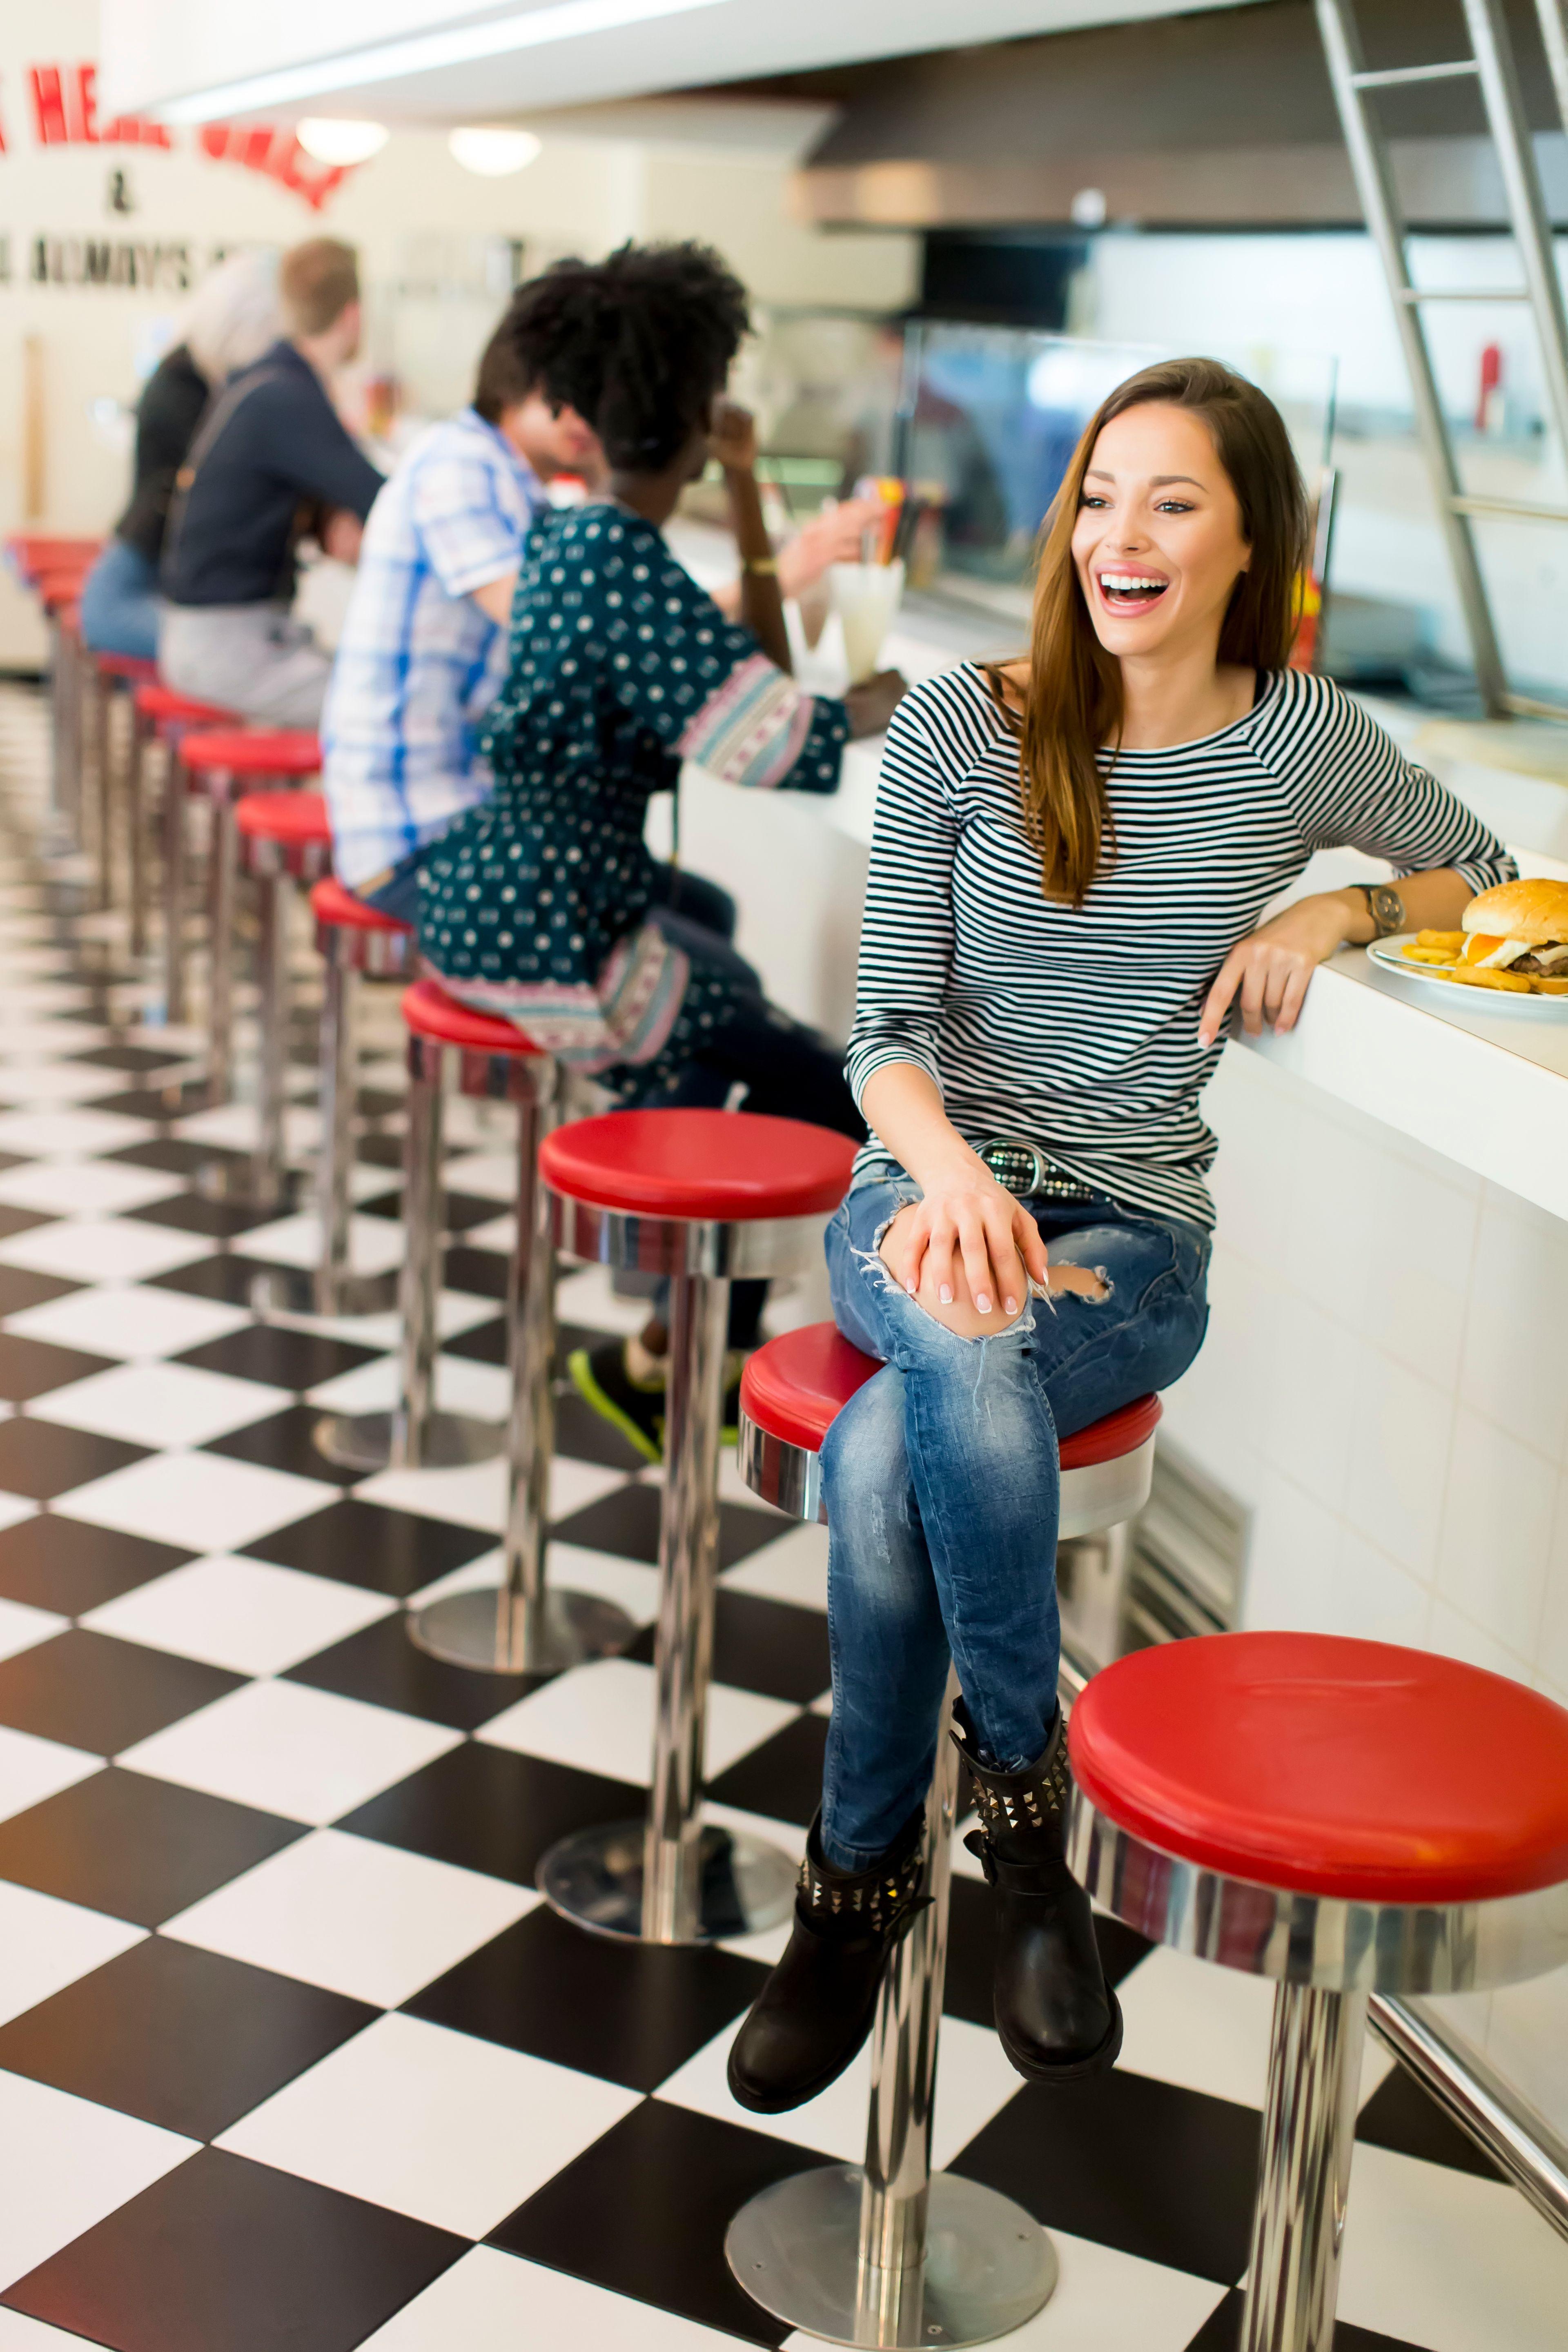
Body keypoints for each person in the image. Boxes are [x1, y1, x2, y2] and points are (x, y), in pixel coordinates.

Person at [726, 356, 1517, 2113]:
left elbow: (1487, 866)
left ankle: (849, 1900)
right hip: (918, 1197)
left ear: (1249, 546)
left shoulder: (1297, 737)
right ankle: (1025, 1834)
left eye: (1170, 502)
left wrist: (1341, 902)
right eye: (1098, 495)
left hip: (1135, 1241)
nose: (1119, 535)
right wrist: (952, 1186)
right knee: (960, 1332)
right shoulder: (958, 723)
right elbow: (881, 1040)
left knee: (886, 1459)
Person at [415, 241, 905, 1453]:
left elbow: (750, 674)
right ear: (701, 410)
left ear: (576, 419)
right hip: (550, 923)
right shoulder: (626, 566)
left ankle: (664, 1340)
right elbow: (775, 737)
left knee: (725, 983)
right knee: (811, 1075)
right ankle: (669, 1352)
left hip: (497, 888)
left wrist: (738, 486)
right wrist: (876, 707)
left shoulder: (575, 538)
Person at [323, 256, 886, 926]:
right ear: (538, 387)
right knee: (701, 929)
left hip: (457, 813)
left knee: (703, 912)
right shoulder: (462, 471)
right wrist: (785, 581)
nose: (587, 418)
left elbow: (615, 626)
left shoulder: (517, 486)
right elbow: (557, 621)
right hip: (420, 832)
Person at [159, 237, 384, 728]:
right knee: (394, 710)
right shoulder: (290, 395)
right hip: (227, 648)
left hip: (216, 635)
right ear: (354, 316)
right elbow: (384, 502)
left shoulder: (264, 380)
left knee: (372, 685)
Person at [79, 251, 280, 663]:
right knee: (234, 654)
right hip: (124, 595)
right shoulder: (188, 388)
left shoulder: (186, 372)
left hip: (133, 580)